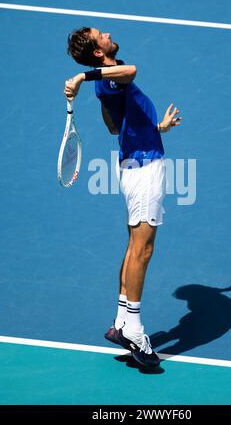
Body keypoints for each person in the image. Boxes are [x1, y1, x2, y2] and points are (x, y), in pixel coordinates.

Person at [64, 27, 182, 367]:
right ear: (99, 53)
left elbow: (116, 128)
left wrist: (155, 127)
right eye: (101, 35)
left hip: (135, 162)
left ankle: (120, 322)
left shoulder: (108, 81)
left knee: (134, 246)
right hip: (144, 169)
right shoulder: (110, 76)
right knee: (143, 249)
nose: (108, 33)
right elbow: (131, 72)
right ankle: (134, 327)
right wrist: (82, 77)